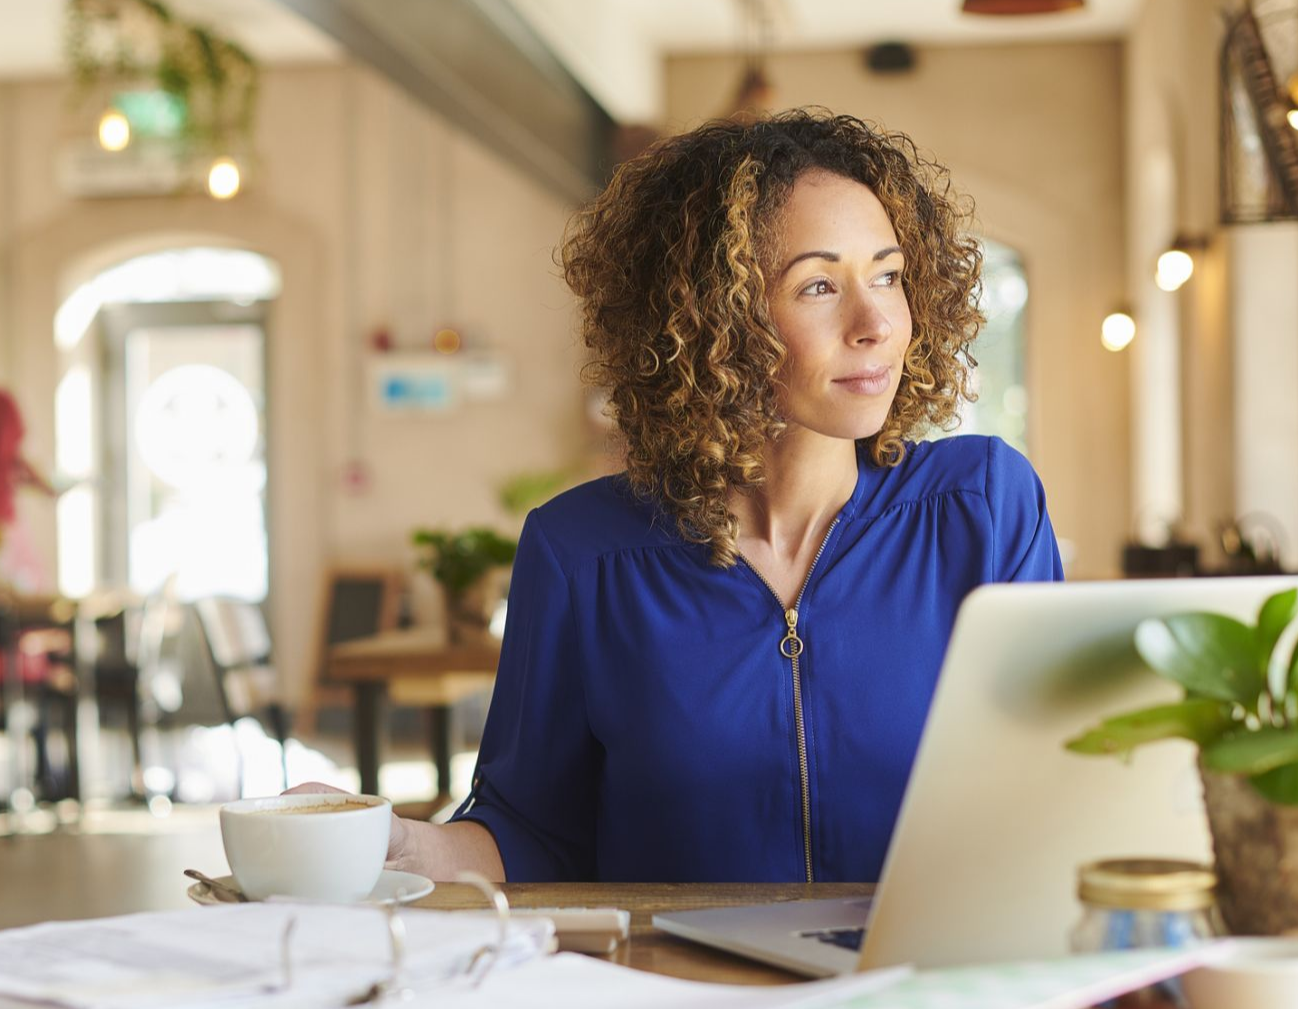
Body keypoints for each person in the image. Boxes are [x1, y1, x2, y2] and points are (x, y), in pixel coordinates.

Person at [292, 109, 1063, 883]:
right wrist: (403, 843)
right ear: (713, 321)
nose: (876, 324)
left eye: (889, 275)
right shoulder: (581, 554)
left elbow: (1057, 786)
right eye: (819, 285)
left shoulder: (983, 507)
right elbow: (533, 831)